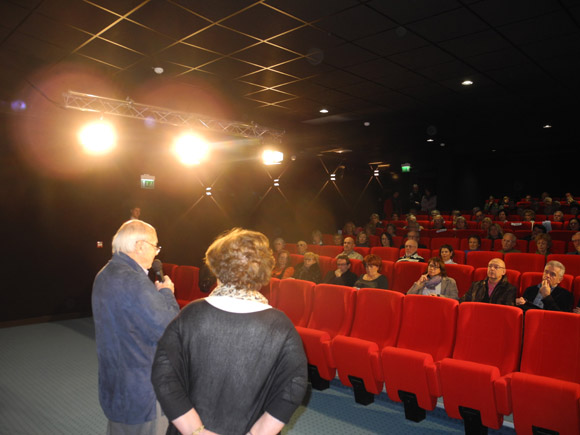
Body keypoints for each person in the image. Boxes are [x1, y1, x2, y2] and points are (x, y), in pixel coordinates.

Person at [151, 228, 308, 435]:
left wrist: (196, 431)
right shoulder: (281, 325)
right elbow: (294, 386)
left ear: (217, 266)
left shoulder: (191, 314)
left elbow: (163, 375)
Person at [92, 220, 179, 434]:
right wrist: (167, 293)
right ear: (140, 246)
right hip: (141, 390)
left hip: (116, 383)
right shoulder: (135, 282)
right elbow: (171, 331)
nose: (157, 252)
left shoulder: (105, 274)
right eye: (155, 245)